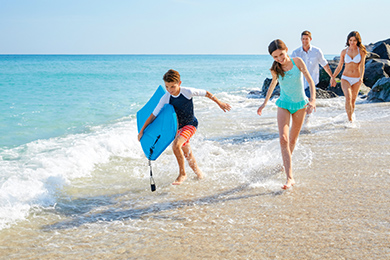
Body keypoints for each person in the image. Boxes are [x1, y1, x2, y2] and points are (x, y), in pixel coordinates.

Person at [138, 69, 231, 185]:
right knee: (187, 153)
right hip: (178, 128)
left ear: (179, 83)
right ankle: (199, 174)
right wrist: (142, 131)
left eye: (172, 86)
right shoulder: (166, 97)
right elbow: (154, 115)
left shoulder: (187, 92)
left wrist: (220, 103)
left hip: (190, 124)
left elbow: (206, 93)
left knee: (176, 145)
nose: (170, 90)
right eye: (167, 87)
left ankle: (182, 174)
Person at [257, 39, 316, 189]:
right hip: (283, 104)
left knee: (292, 140)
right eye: (275, 57)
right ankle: (290, 178)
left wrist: (313, 100)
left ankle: (285, 164)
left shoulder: (298, 62)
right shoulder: (276, 68)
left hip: (300, 105)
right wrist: (264, 103)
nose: (279, 59)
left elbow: (310, 81)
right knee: (283, 139)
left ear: (287, 50)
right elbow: (273, 84)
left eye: (281, 55)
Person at [331, 31, 367, 122]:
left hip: (356, 79)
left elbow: (362, 65)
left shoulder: (361, 51)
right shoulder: (344, 51)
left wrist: (361, 78)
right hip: (345, 78)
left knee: (353, 100)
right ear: (348, 40)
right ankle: (350, 120)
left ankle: (351, 116)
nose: (352, 42)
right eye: (350, 40)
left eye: (354, 40)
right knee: (348, 97)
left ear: (357, 41)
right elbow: (339, 66)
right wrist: (333, 77)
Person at [291, 30, 336, 98]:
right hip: (300, 84)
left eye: (306, 39)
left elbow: (324, 65)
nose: (304, 41)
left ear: (310, 39)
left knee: (311, 103)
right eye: (303, 39)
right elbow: (290, 67)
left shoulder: (316, 51)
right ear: (301, 39)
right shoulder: (295, 53)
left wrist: (332, 77)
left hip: (313, 83)